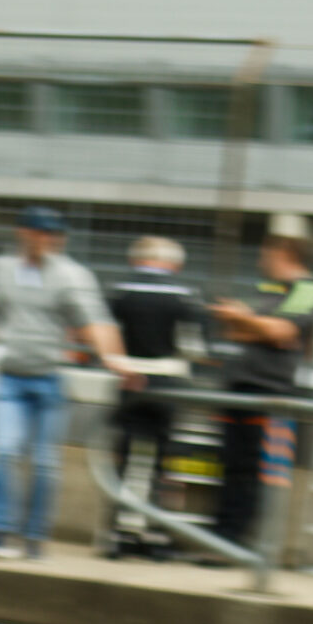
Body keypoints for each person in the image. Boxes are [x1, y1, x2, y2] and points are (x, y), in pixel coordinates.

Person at [0, 206, 126, 559]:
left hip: (49, 379)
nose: (47, 241)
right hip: (9, 377)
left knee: (44, 462)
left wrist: (112, 357)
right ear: (22, 233)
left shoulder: (72, 275)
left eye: (53, 235)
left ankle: (35, 537)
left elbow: (94, 321)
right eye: (40, 233)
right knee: (3, 451)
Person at [205, 232, 313, 552]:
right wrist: (255, 325)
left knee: (251, 470)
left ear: (284, 254)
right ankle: (221, 539)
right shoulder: (270, 290)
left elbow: (282, 331)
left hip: (268, 392)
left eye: (265, 254)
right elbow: (239, 332)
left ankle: (235, 544)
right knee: (232, 466)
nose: (260, 260)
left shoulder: (307, 289)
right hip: (240, 388)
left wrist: (247, 319)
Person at [104, 236, 203, 558]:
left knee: (124, 459)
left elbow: (106, 336)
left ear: (136, 259)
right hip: (168, 382)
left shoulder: (120, 291)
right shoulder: (184, 295)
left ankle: (118, 533)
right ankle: (155, 534)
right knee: (163, 461)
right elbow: (196, 347)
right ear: (174, 263)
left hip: (130, 381)